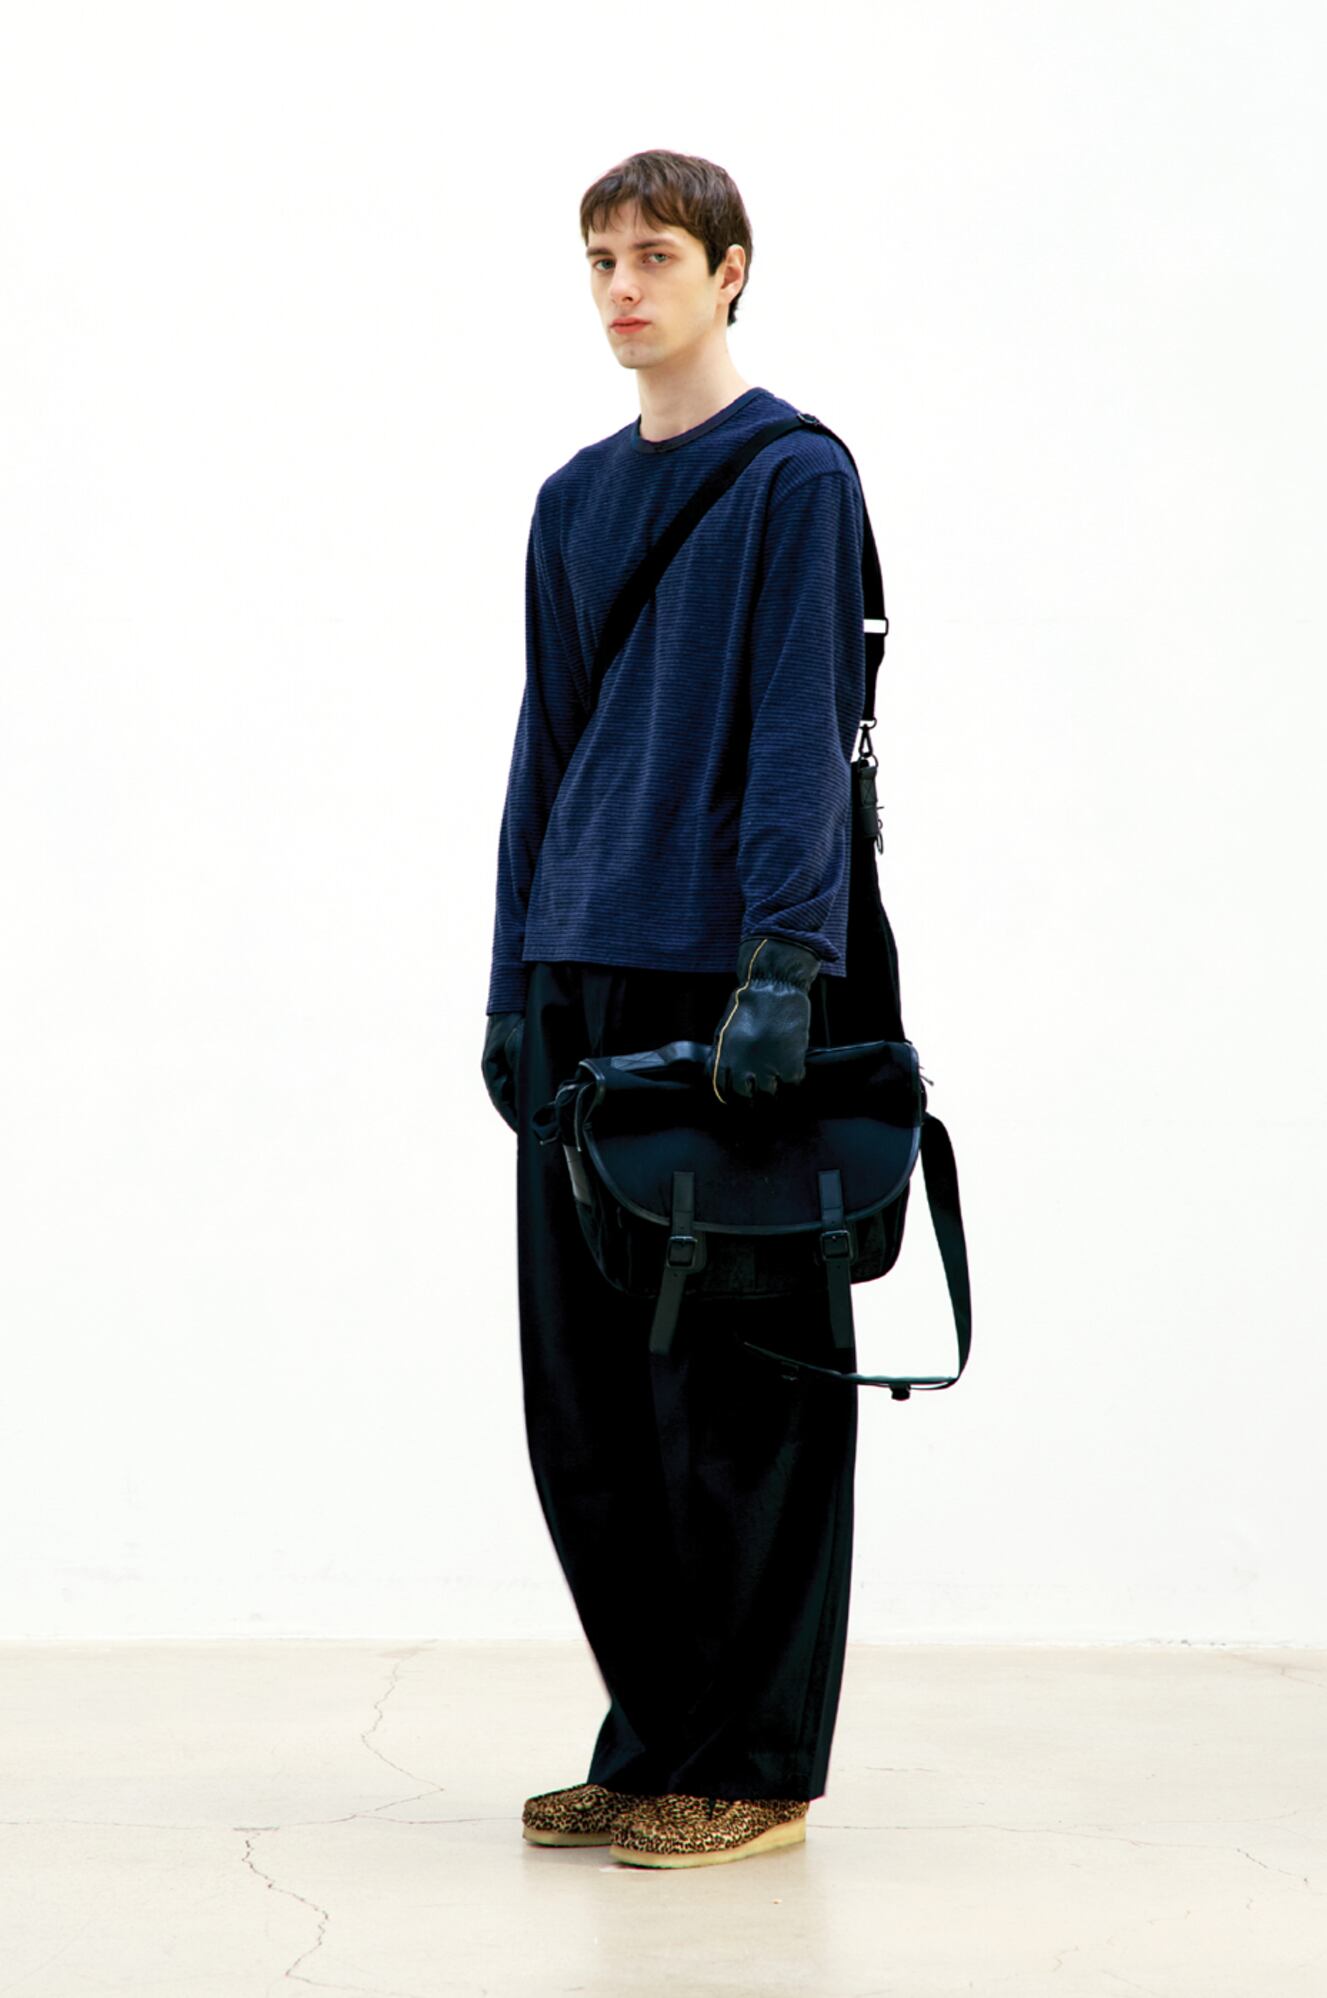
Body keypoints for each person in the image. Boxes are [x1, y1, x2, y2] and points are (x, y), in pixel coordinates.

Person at [480, 149, 867, 1870]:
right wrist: (513, 976)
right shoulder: (571, 501)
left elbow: (803, 730)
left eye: (655, 254)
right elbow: (544, 748)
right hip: (581, 974)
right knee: (589, 1397)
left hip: (724, 986)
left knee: (740, 1388)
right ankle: (656, 1742)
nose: (623, 286)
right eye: (599, 259)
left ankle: (757, 1764)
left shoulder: (795, 477)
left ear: (731, 271)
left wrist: (788, 962)